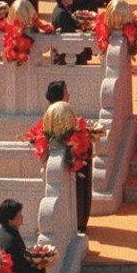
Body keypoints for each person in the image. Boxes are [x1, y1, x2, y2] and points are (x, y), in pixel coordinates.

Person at [46, 80, 92, 231]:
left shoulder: (49, 113)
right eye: (66, 92)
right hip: (71, 155)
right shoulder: (63, 110)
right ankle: (78, 221)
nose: (69, 95)